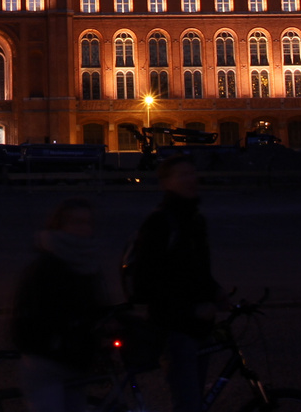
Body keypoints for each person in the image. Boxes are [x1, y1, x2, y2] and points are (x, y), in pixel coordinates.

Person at [126, 154, 225, 412]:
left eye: (192, 173)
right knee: (187, 405)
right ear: (165, 183)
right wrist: (191, 309)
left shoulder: (195, 220)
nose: (191, 179)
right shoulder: (160, 223)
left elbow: (196, 272)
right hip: (175, 330)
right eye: (182, 175)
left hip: (199, 328)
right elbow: (145, 284)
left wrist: (216, 292)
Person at [10, 197, 107, 412]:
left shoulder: (89, 265)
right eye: (76, 222)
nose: (83, 228)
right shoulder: (45, 268)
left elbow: (98, 308)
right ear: (59, 225)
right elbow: (29, 319)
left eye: (88, 222)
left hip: (75, 361)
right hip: (47, 363)